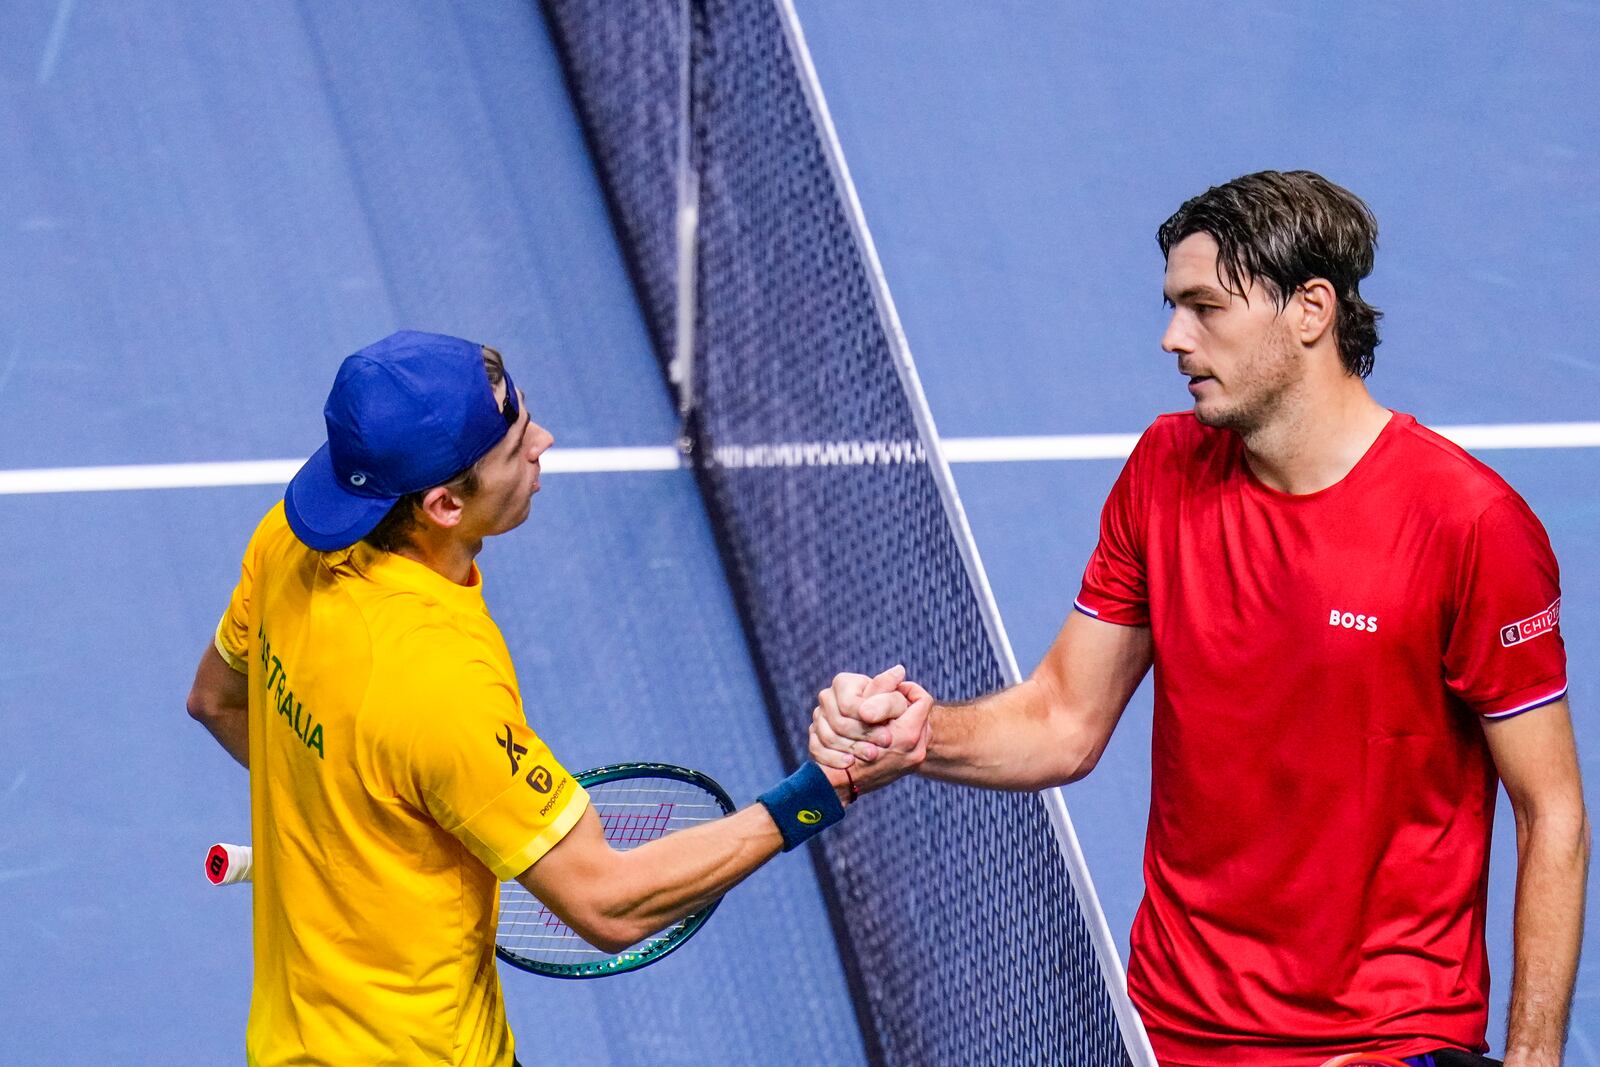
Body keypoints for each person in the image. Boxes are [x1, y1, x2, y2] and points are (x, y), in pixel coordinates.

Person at [810, 172, 1588, 1067]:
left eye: (1204, 307)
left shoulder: (1470, 527)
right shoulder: (1165, 469)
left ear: (1310, 310)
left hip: (1375, 1043)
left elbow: (1551, 809)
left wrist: (1534, 1062)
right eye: (1174, 306)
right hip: (1166, 1026)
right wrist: (921, 734)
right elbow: (1063, 717)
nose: (1173, 337)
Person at [186, 330, 909, 1067]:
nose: (544, 441)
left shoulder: (288, 543)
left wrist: (347, 827)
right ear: (442, 504)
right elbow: (606, 901)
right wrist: (822, 791)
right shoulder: (440, 683)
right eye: (516, 444)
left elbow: (217, 701)